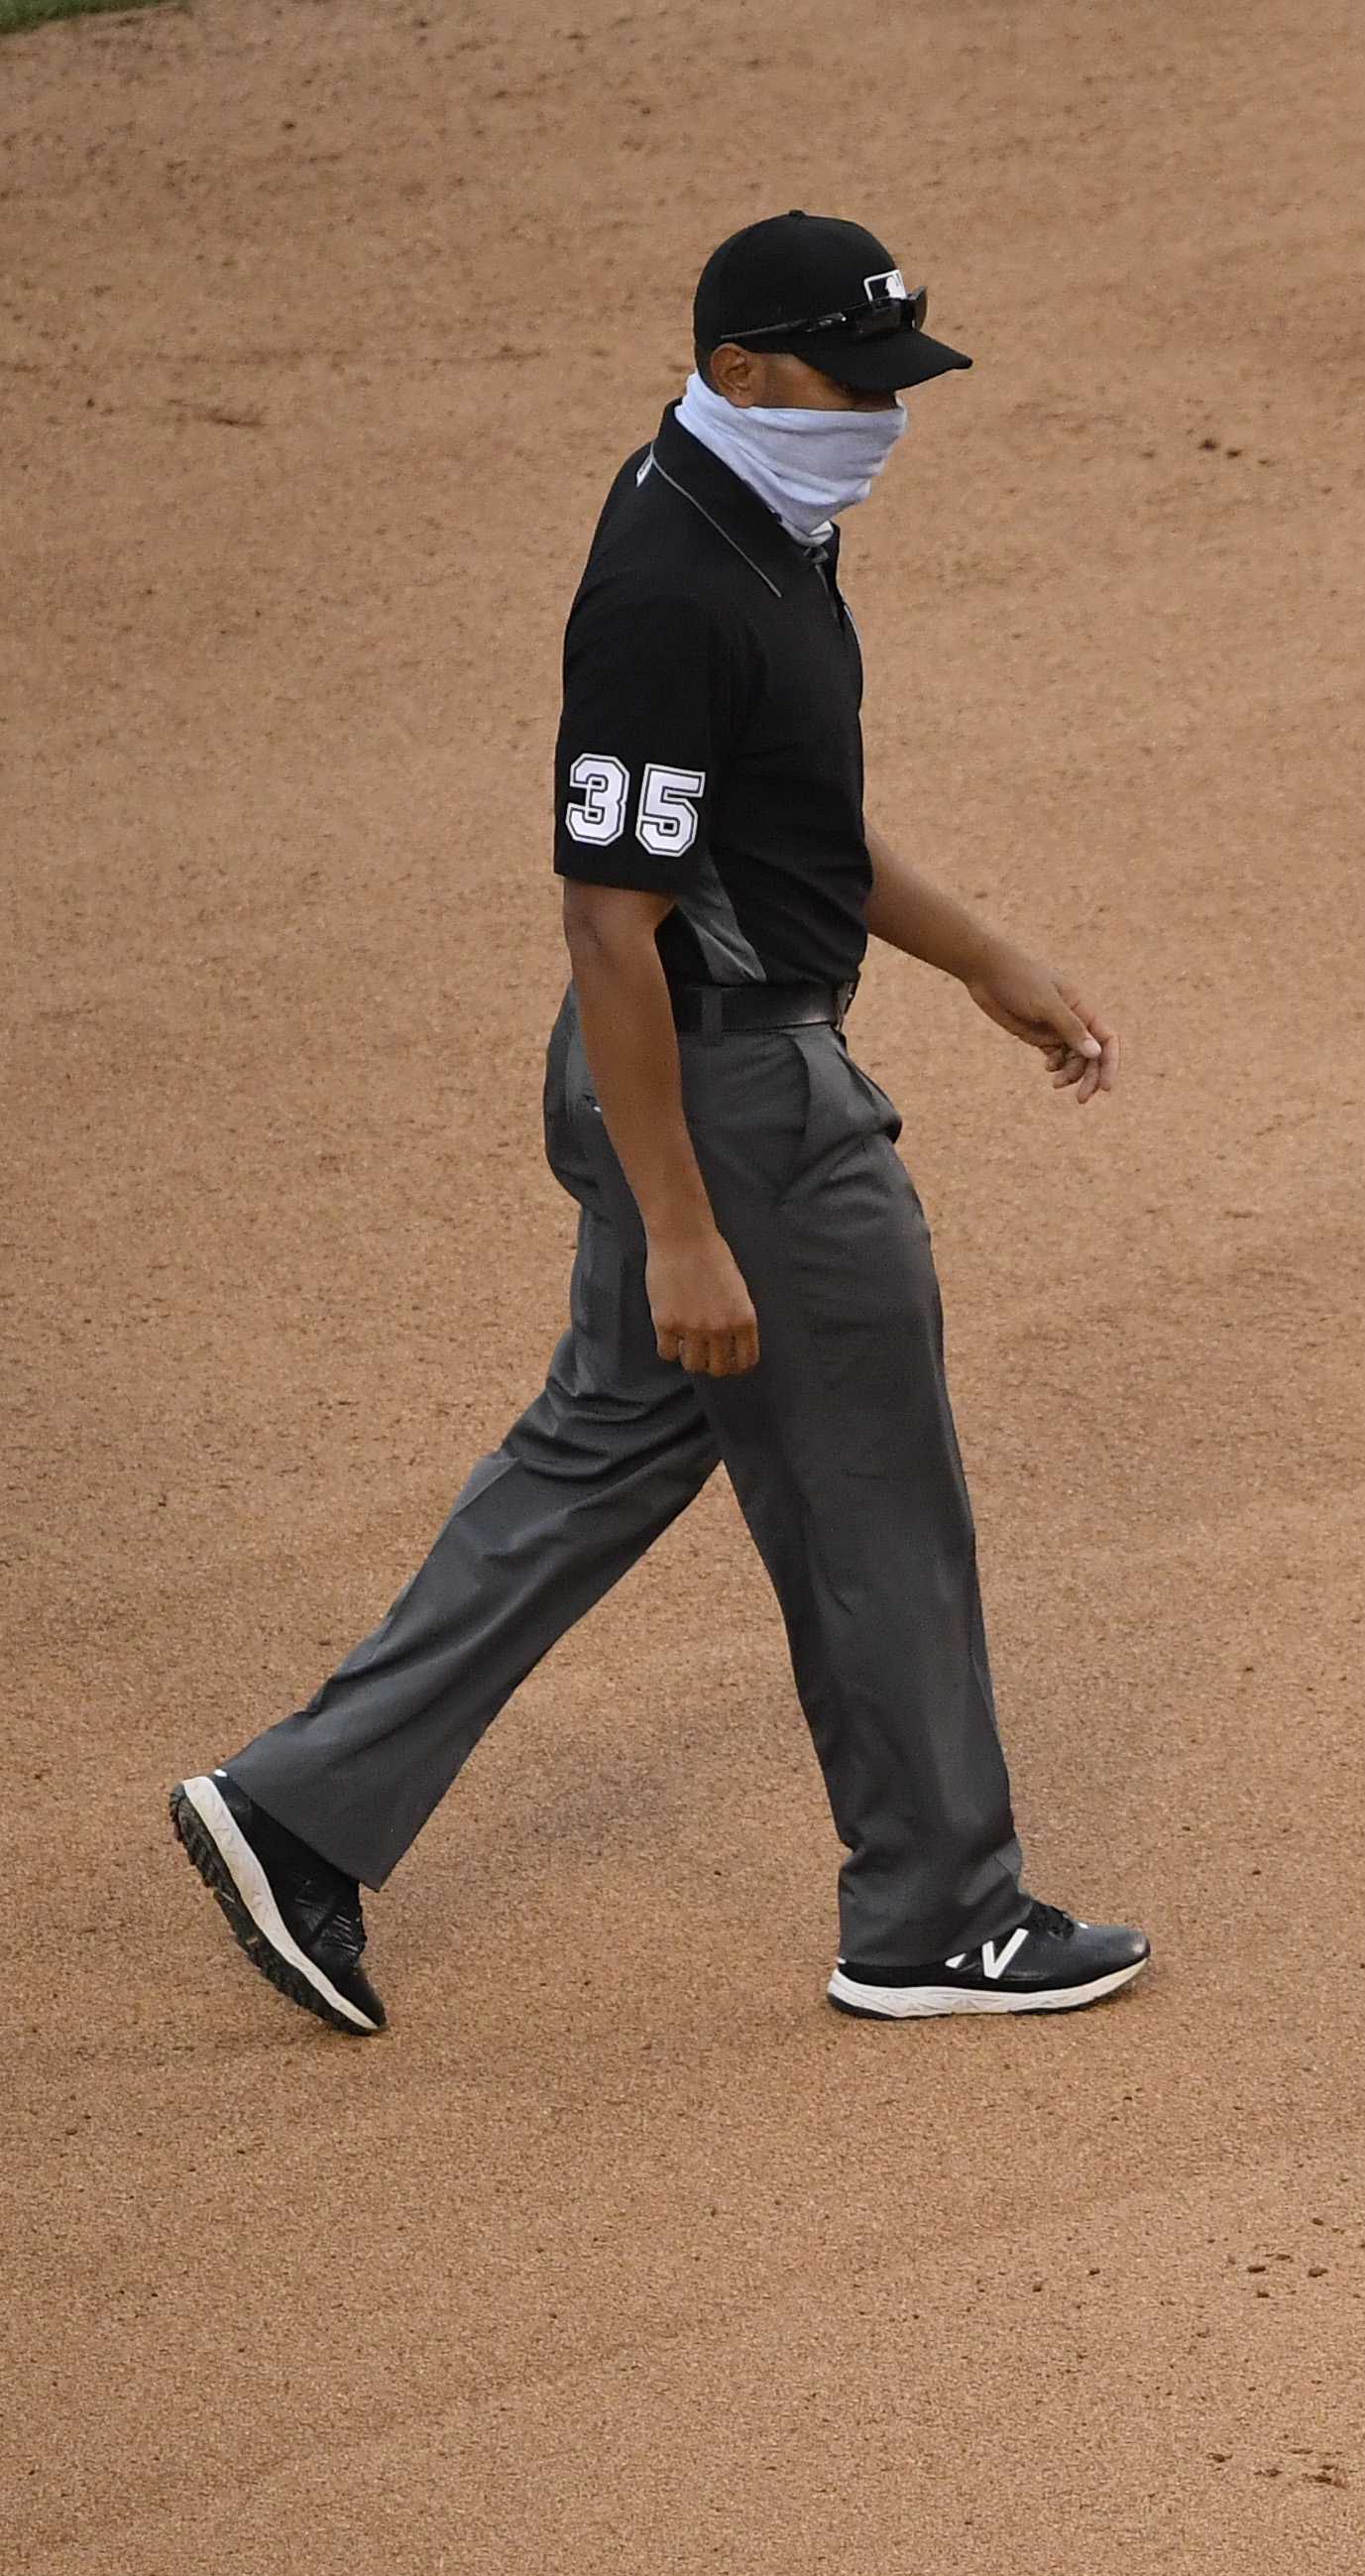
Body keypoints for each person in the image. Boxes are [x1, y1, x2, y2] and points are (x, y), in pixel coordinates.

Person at [168, 211, 1151, 2032]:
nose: (879, 416)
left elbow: (786, 828)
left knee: (608, 1445)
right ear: (737, 372)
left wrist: (978, 956)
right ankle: (936, 1917)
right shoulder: (668, 583)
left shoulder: (768, 524)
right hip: (733, 1102)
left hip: (721, 1065)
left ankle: (295, 1809)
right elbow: (606, 923)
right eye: (850, 382)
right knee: (874, 1496)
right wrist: (686, 1218)